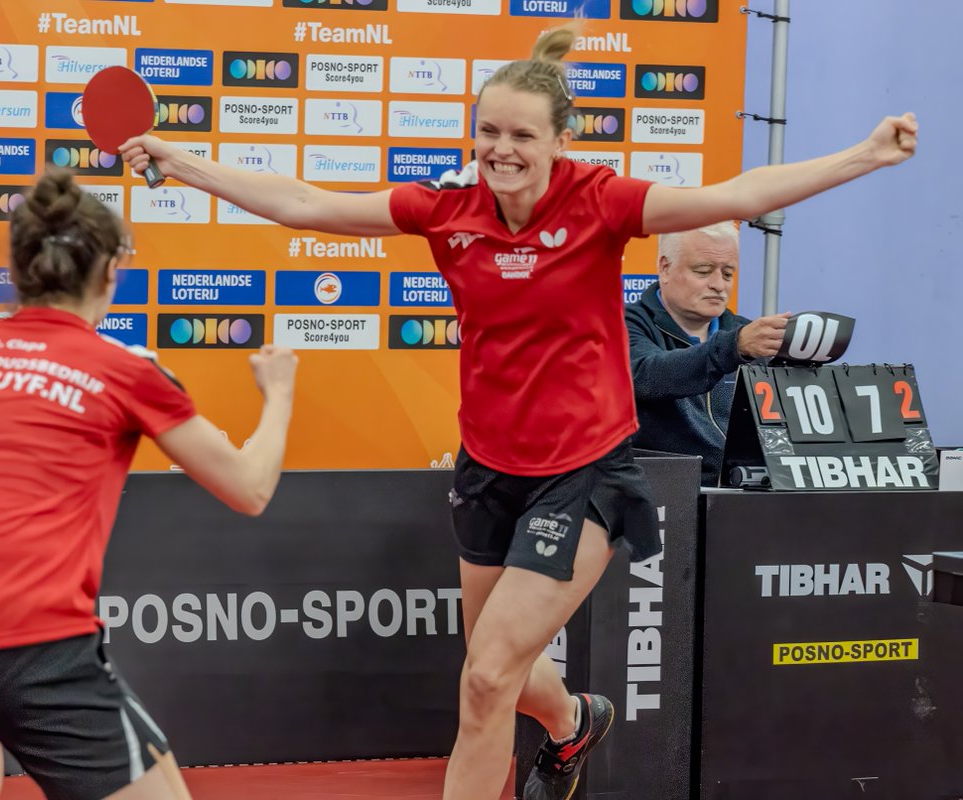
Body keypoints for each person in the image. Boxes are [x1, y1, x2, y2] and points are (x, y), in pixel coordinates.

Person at [121, 24, 918, 800]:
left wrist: (865, 154)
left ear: (560, 141)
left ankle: (555, 733)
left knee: (485, 680)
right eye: (489, 132)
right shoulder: (448, 208)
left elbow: (736, 194)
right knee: (497, 665)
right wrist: (179, 160)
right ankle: (574, 721)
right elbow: (304, 203)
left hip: (584, 473)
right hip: (488, 470)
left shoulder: (600, 202)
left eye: (522, 136)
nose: (501, 150)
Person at [0, 168, 298, 800]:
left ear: (16, 270)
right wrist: (279, 394)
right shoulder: (125, 369)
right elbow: (250, 489)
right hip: (29, 648)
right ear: (110, 273)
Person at [625, 222, 790, 486]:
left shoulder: (750, 337)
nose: (718, 285)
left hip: (743, 494)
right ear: (665, 268)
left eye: (728, 274)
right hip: (663, 492)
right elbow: (648, 375)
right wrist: (733, 348)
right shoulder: (624, 325)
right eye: (703, 271)